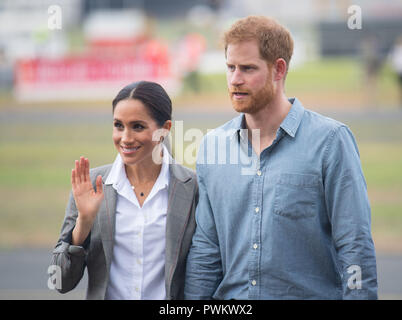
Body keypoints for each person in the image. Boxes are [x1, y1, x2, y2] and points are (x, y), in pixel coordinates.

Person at [184, 16, 378, 300]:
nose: (235, 79)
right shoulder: (213, 147)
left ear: (278, 69)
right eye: (230, 67)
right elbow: (206, 251)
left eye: (247, 68)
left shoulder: (331, 141)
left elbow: (355, 244)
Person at [50, 81, 198, 300]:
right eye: (119, 125)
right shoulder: (90, 185)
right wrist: (83, 224)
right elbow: (59, 282)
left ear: (164, 129)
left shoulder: (192, 188)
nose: (126, 138)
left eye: (138, 126)